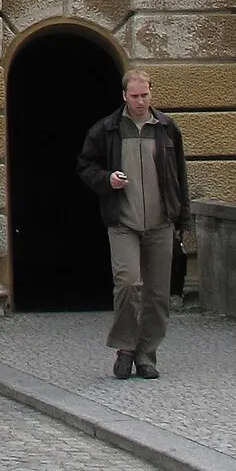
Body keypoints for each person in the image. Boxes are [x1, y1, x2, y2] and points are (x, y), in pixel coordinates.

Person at [76, 66, 191, 380]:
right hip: (122, 221)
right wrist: (106, 179)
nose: (140, 101)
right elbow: (85, 165)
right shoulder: (107, 129)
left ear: (151, 92)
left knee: (157, 294)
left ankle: (146, 354)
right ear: (124, 96)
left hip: (161, 221)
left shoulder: (167, 128)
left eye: (145, 95)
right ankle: (125, 348)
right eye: (134, 96)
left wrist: (184, 218)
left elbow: (180, 176)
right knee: (128, 285)